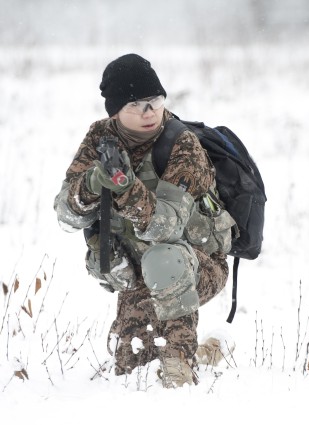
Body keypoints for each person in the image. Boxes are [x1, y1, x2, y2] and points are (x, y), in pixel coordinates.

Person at [53, 53, 236, 388]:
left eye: (155, 101)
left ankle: (180, 367)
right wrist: (93, 185)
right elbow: (66, 216)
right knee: (129, 363)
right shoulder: (100, 138)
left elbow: (168, 227)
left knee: (164, 258)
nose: (149, 112)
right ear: (115, 111)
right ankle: (210, 351)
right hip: (139, 269)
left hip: (197, 263)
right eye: (136, 104)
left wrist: (125, 187)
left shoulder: (181, 145)